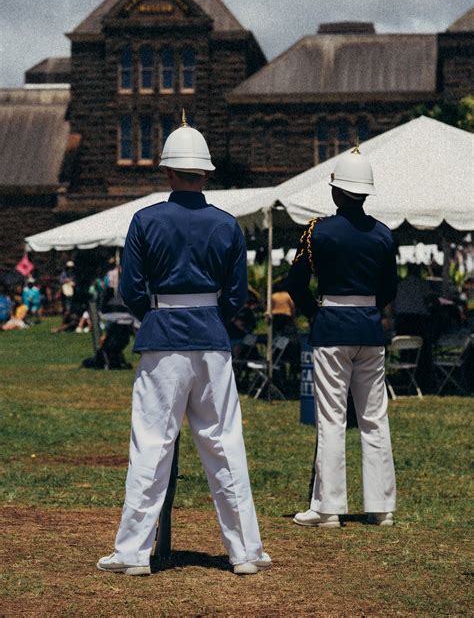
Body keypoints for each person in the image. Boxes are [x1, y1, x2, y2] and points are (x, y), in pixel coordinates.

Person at [97, 112, 270, 576]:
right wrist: (212, 316)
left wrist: (155, 315)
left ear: (168, 172)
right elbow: (237, 295)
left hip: (162, 337)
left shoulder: (145, 219)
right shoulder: (228, 225)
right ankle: (246, 552)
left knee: (152, 443)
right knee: (224, 444)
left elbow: (131, 288)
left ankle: (133, 553)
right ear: (207, 173)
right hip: (211, 338)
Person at [286, 143, 398, 528]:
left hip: (332, 326)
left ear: (336, 191)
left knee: (332, 418)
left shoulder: (319, 230)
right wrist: (368, 308)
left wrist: (315, 314)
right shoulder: (383, 234)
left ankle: (328, 508)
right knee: (374, 418)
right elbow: (389, 289)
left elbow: (295, 282)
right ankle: (381, 507)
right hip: (369, 327)